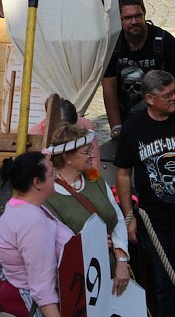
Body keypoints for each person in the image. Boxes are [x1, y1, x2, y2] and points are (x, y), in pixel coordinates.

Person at [114, 70, 175, 316]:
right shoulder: (134, 127)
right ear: (149, 99)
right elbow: (123, 173)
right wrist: (129, 216)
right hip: (155, 221)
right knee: (163, 284)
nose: (174, 97)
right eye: (167, 95)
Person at [43, 123, 130, 296]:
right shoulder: (48, 197)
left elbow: (117, 220)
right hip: (79, 282)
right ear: (68, 157)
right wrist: (89, 242)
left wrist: (121, 261)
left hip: (112, 272)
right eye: (86, 152)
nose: (92, 155)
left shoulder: (95, 180)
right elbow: (51, 244)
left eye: (91, 149)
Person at [101, 0, 175, 140]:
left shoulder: (164, 41)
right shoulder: (113, 45)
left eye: (138, 16)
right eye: (127, 18)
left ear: (144, 13)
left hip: (163, 119)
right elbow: (109, 86)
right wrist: (116, 126)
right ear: (118, 19)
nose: (134, 21)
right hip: (128, 120)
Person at [0, 151, 72, 317]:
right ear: (37, 182)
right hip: (31, 304)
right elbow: (43, 288)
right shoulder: (32, 221)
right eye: (51, 174)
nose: (56, 176)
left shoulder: (23, 206)